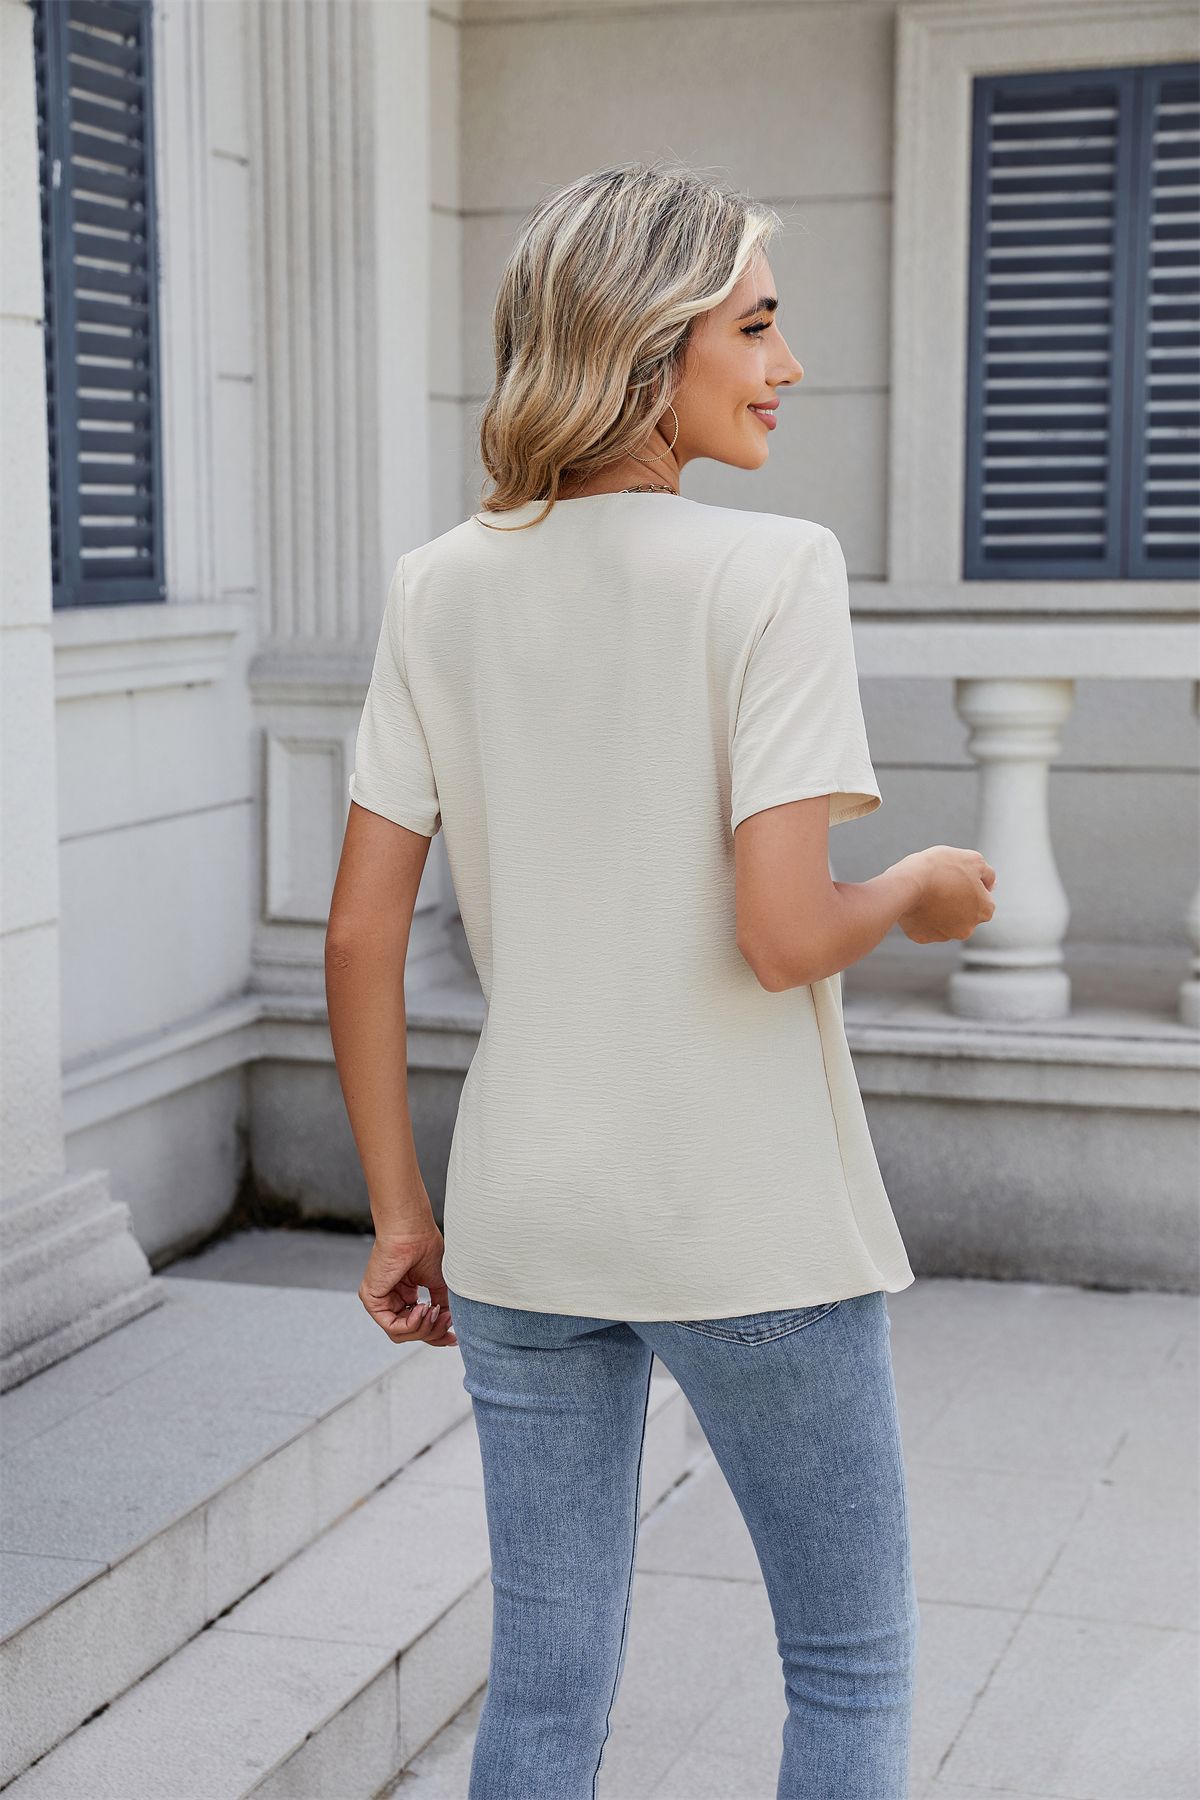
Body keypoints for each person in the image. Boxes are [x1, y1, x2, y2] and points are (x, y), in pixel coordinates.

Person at [325, 160, 996, 1800]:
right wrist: (914, 890)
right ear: (647, 342)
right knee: (849, 1668)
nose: (787, 364)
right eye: (756, 326)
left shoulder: (439, 584)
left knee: (546, 1692)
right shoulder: (774, 571)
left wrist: (403, 1214)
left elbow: (358, 934)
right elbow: (783, 934)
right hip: (745, 1212)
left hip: (522, 1211)